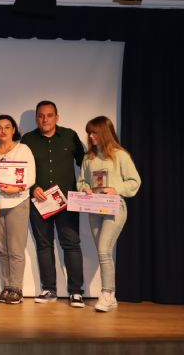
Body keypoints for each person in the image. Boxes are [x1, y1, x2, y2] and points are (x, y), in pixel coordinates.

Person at [21, 100, 86, 308]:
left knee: (71, 244)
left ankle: (76, 292)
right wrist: (33, 188)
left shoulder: (70, 135)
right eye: (41, 115)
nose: (45, 119)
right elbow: (22, 170)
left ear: (57, 117)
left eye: (49, 115)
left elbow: (85, 163)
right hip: (39, 203)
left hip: (67, 202)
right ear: (36, 118)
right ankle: (49, 289)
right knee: (44, 245)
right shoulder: (28, 139)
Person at [76, 116, 140, 312]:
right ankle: (108, 295)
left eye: (94, 133)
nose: (91, 136)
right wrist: (85, 188)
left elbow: (134, 181)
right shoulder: (89, 158)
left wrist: (115, 188)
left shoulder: (120, 155)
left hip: (115, 208)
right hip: (94, 208)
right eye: (89, 133)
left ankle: (108, 294)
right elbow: (82, 182)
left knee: (104, 250)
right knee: (103, 252)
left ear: (104, 132)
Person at [0, 114, 36, 305]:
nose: (3, 131)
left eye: (7, 127)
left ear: (14, 130)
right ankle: (7, 287)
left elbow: (31, 176)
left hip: (17, 202)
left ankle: (17, 288)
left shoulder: (23, 149)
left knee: (16, 249)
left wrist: (18, 188)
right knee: (1, 249)